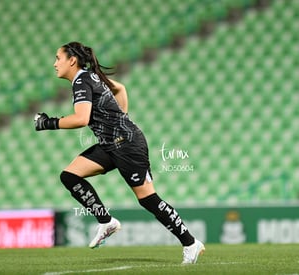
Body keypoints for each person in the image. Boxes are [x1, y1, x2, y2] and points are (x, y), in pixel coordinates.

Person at [34, 41, 205, 264]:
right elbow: (120, 88)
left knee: (148, 199)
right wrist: (119, 118)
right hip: (111, 143)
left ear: (72, 60)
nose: (55, 63)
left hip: (127, 145)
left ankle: (191, 243)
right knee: (69, 175)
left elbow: (81, 119)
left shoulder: (81, 81)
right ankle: (106, 222)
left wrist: (49, 123)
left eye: (58, 58)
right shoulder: (88, 77)